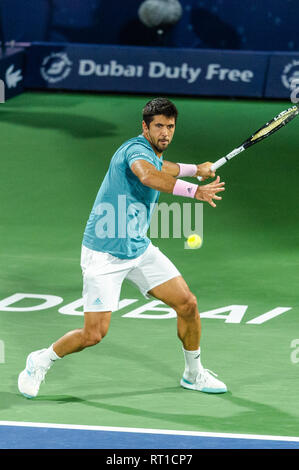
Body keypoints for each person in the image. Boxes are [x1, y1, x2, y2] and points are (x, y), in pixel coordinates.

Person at [18, 97, 227, 398]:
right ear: (145, 127)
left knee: (188, 305)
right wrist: (195, 190)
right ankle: (40, 360)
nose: (165, 133)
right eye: (158, 127)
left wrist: (196, 169)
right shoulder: (134, 150)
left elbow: (162, 165)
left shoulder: (152, 153)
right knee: (93, 334)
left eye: (170, 127)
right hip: (104, 254)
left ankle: (193, 374)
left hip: (138, 249)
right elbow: (149, 175)